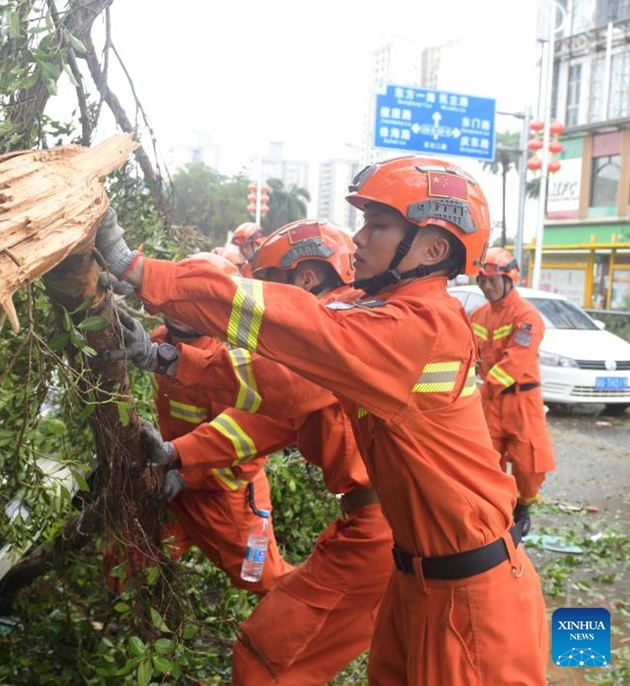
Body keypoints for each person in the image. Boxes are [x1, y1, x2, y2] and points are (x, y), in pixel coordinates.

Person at [97, 157, 548, 684]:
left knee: (264, 662)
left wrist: (144, 273)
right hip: (418, 576)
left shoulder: (418, 327)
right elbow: (283, 385)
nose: (359, 239)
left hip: (469, 595)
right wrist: (173, 368)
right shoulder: (380, 317)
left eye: (378, 225)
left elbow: (303, 333)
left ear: (433, 248)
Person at [116, 221, 394, 685]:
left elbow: (257, 415)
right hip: (376, 525)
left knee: (267, 635)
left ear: (305, 279)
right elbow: (260, 421)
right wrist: (175, 454)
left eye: (271, 287)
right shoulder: (334, 338)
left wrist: (178, 453)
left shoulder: (334, 338)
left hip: (232, 496)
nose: (267, 309)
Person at [136, 252, 297, 593]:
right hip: (173, 482)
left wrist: (185, 473)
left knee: (266, 582)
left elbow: (246, 449)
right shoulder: (161, 340)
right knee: (130, 566)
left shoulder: (235, 362)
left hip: (229, 497)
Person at [470, 247, 556, 540]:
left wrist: (480, 394)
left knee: (528, 461)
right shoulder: (479, 315)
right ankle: (495, 511)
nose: (486, 286)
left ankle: (523, 506)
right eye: (482, 281)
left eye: (492, 280)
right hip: (490, 401)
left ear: (510, 280)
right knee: (485, 458)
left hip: (521, 400)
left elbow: (515, 361)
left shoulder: (527, 316)